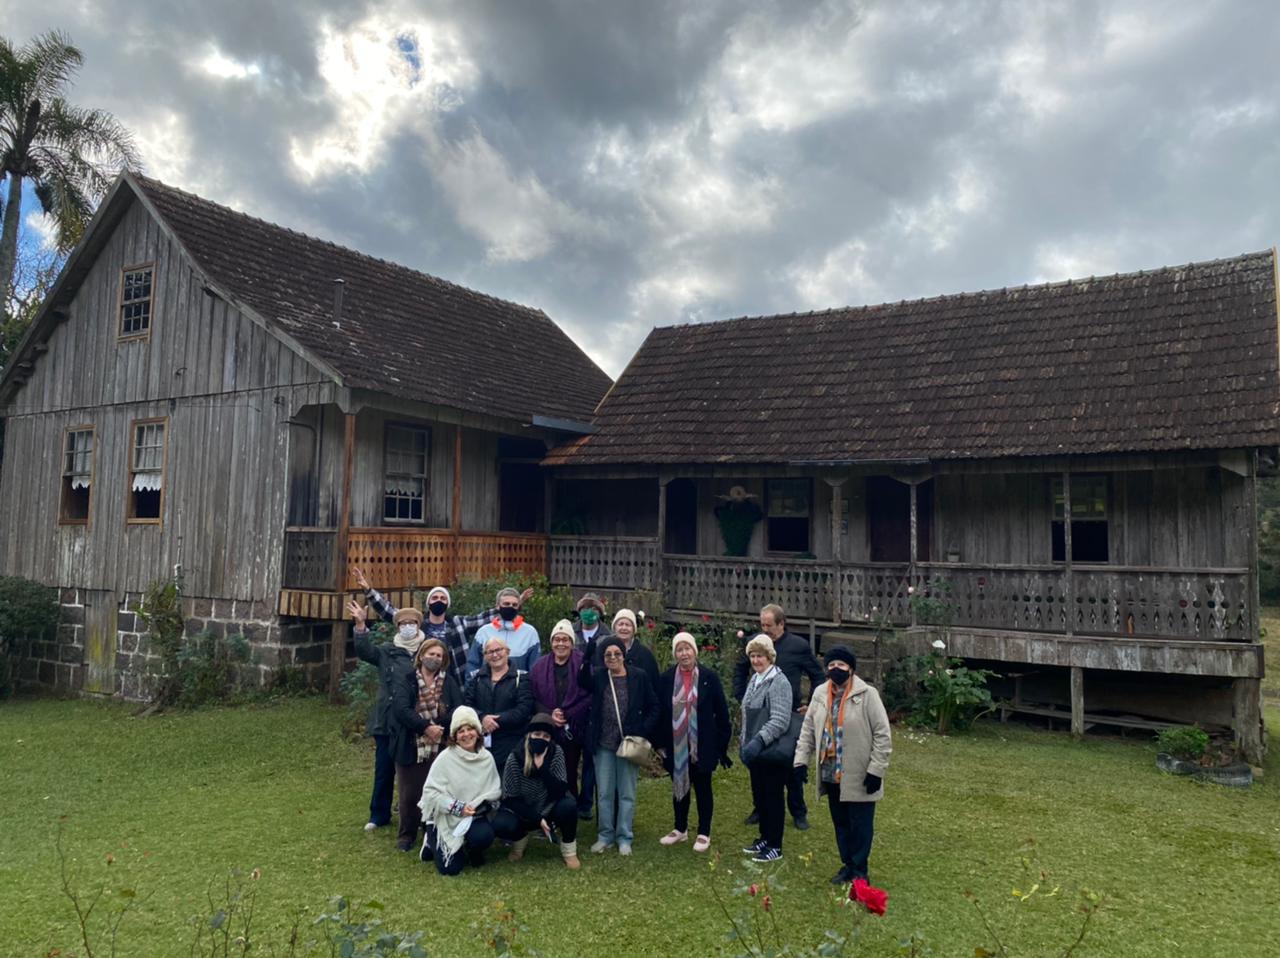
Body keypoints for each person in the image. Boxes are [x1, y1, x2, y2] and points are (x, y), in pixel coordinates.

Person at [794, 647, 892, 884]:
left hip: (860, 772)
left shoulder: (867, 695)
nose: (835, 669)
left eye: (841, 665)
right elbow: (808, 730)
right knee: (841, 822)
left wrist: (876, 770)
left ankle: (860, 870)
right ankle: (848, 864)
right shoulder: (820, 693)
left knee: (860, 825)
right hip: (831, 770)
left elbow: (882, 734)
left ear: (851, 668)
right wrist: (800, 761)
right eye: (831, 665)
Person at [353, 566, 523, 688]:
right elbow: (390, 611)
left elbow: (484, 618)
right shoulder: (418, 625)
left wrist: (512, 605)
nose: (439, 601)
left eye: (443, 598)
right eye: (435, 598)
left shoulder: (458, 623)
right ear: (428, 604)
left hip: (454, 683)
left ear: (447, 604)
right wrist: (368, 590)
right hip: (423, 684)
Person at [733, 604, 824, 830]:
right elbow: (740, 669)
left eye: (769, 625)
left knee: (790, 764)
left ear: (782, 624)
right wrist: (742, 696)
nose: (765, 629)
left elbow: (818, 676)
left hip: (789, 714)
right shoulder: (755, 643)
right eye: (762, 624)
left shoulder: (798, 646)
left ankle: (798, 811)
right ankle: (759, 807)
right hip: (758, 715)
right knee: (758, 764)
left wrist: (811, 704)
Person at [653, 632, 732, 853]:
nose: (684, 653)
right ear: (675, 654)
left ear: (694, 651)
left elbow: (722, 714)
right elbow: (659, 713)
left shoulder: (709, 677)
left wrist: (720, 748)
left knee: (703, 787)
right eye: (679, 649)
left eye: (687, 648)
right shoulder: (666, 679)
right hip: (676, 745)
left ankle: (704, 832)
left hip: (702, 745)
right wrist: (659, 745)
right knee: (679, 785)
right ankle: (680, 829)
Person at [350, 600, 423, 833]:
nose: (408, 626)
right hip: (387, 720)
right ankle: (379, 814)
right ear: (397, 627)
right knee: (384, 768)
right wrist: (360, 625)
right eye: (403, 623)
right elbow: (365, 651)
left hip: (416, 719)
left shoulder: (428, 650)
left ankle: (417, 813)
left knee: (416, 770)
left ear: (418, 625)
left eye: (412, 622)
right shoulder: (387, 651)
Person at [386, 637, 464, 851]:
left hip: (440, 743)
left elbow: (457, 707)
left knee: (438, 790)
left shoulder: (448, 682)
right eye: (431, 654)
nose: (435, 658)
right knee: (409, 793)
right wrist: (425, 727)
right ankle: (407, 835)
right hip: (410, 742)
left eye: (439, 656)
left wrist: (438, 727)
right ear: (421, 655)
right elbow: (401, 709)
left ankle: (431, 830)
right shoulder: (406, 679)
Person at [587, 635, 657, 856]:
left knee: (627, 792)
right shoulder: (600, 677)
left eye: (617, 653)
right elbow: (581, 680)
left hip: (628, 744)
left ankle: (624, 837)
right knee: (604, 793)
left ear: (623, 655)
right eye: (608, 654)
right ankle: (605, 835)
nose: (613, 657)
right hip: (604, 743)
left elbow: (654, 706)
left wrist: (642, 730)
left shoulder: (638, 676)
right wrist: (588, 654)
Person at [418, 706, 501, 876]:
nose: (466, 734)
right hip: (445, 816)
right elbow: (430, 794)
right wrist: (457, 807)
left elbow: (494, 791)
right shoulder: (445, 758)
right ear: (454, 736)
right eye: (461, 731)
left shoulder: (487, 758)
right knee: (451, 869)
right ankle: (431, 838)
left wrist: (477, 807)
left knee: (484, 835)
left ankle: (472, 848)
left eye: (470, 729)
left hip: (473, 815)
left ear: (478, 732)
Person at [493, 713, 581, 869]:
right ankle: (520, 840)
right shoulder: (515, 757)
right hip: (523, 810)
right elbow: (510, 798)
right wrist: (536, 818)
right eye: (537, 734)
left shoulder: (556, 752)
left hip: (549, 806)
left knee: (569, 806)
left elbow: (561, 791)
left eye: (546, 736)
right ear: (529, 735)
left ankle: (569, 850)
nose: (541, 738)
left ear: (550, 739)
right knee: (502, 824)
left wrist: (543, 769)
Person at [738, 634, 795, 863]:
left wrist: (759, 741)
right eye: (752, 656)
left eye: (760, 655)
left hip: (771, 751)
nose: (755, 660)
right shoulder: (755, 679)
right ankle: (764, 837)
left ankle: (775, 845)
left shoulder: (779, 681)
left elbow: (780, 719)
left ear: (770, 657)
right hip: (756, 753)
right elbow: (747, 714)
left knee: (773, 798)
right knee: (760, 797)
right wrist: (745, 743)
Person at [529, 619, 591, 812]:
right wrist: (550, 714)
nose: (561, 643)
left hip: (575, 727)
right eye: (557, 639)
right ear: (551, 642)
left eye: (565, 639)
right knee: (546, 767)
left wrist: (567, 713)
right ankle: (546, 807)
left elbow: (590, 694)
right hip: (547, 728)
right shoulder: (539, 667)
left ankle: (569, 807)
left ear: (572, 643)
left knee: (570, 770)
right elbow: (533, 697)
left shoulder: (583, 663)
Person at [463, 635, 535, 774]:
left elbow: (523, 709)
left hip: (512, 744)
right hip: (481, 744)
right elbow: (467, 705)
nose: (495, 655)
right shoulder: (477, 678)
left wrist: (496, 720)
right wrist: (482, 718)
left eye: (498, 650)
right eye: (490, 652)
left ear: (507, 651)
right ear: (485, 656)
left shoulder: (521, 678)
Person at [572, 594, 610, 819]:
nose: (589, 612)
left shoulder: (607, 636)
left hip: (596, 699)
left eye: (593, 609)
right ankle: (570, 799)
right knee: (571, 755)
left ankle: (586, 803)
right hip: (573, 698)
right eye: (585, 608)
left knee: (590, 755)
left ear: (600, 612)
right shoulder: (570, 632)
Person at [466, 587, 541, 678]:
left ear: (519, 607)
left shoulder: (530, 632)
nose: (510, 607)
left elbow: (535, 670)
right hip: (488, 686)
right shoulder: (483, 632)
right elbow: (472, 666)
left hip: (519, 686)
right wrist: (471, 685)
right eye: (506, 604)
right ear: (498, 606)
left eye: (514, 605)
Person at [584, 609, 660, 692]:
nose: (624, 628)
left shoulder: (645, 654)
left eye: (628, 625)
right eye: (620, 624)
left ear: (634, 629)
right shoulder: (602, 650)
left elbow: (654, 684)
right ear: (614, 628)